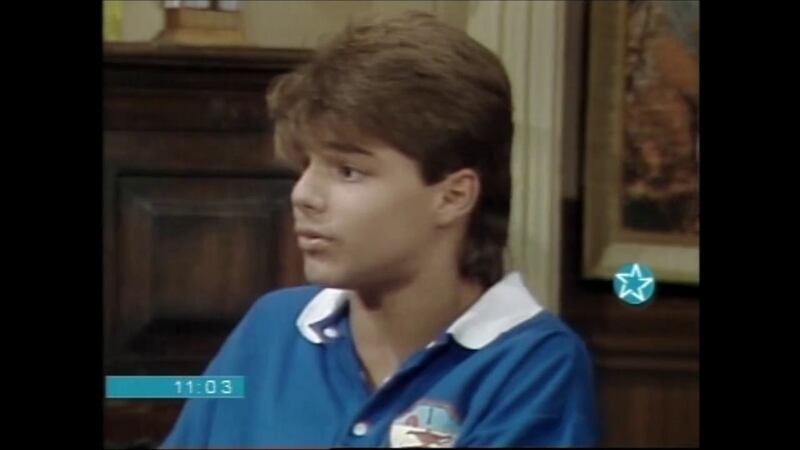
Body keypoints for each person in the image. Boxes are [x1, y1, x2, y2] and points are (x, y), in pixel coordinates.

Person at [162, 11, 599, 448]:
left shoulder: (530, 366)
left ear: (453, 196)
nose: (303, 195)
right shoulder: (272, 330)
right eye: (306, 164)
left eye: (348, 171)